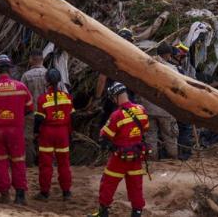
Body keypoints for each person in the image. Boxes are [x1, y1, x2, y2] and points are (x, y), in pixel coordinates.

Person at [88, 82, 149, 217]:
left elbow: (104, 137)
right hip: (136, 156)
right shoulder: (142, 110)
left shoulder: (116, 115)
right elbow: (144, 128)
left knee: (108, 183)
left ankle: (103, 212)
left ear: (115, 97)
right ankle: (137, 212)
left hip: (119, 158)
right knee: (136, 186)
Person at [0, 54, 33, 205]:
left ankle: (4, 195)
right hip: (16, 131)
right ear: (10, 69)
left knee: (0, 162)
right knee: (18, 161)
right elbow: (29, 109)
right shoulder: (21, 87)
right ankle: (20, 197)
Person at [34, 68, 73, 201]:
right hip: (63, 132)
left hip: (47, 133)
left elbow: (38, 119)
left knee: (46, 164)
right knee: (64, 163)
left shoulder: (42, 99)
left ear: (47, 81)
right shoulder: (67, 97)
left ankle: (44, 193)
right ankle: (66, 192)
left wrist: (35, 133)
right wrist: (70, 134)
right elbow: (72, 117)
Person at [21, 49, 48, 163]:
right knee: (45, 137)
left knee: (28, 139)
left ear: (31, 60)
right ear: (42, 59)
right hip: (47, 111)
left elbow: (22, 96)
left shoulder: (26, 76)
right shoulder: (49, 73)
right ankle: (44, 161)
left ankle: (30, 163)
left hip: (31, 112)